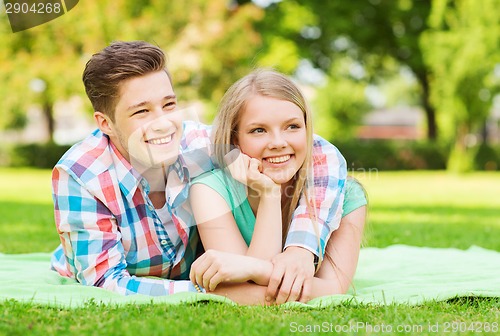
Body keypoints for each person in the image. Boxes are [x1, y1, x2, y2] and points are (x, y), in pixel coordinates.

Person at [50, 41, 347, 298]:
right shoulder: (80, 176)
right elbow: (105, 282)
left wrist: (301, 249)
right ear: (106, 123)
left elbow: (318, 152)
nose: (163, 123)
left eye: (168, 105)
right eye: (142, 111)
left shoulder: (198, 144)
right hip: (168, 279)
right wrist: (215, 290)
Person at [189, 69, 367, 304]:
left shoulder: (346, 196)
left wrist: (257, 271)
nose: (278, 143)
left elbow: (334, 289)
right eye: (258, 130)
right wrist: (269, 194)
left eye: (292, 127)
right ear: (235, 139)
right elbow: (236, 288)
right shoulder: (210, 191)